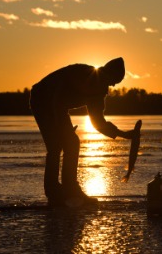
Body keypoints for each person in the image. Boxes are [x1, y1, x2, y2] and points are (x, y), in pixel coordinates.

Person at [30, 57, 135, 207]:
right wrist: (60, 125)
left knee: (72, 143)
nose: (111, 86)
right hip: (42, 99)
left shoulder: (99, 91)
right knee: (55, 147)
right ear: (107, 73)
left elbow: (98, 122)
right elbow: (57, 98)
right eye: (112, 81)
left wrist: (124, 134)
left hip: (59, 106)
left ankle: (70, 189)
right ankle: (53, 193)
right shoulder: (84, 73)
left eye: (114, 84)